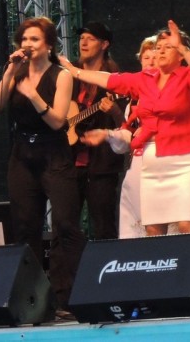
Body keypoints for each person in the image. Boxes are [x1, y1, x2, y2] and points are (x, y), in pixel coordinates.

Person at [60, 20, 190, 236]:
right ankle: (160, 261)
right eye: (158, 47)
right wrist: (74, 71)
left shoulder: (188, 77)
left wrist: (181, 47)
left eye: (168, 47)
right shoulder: (145, 79)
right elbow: (110, 80)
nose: (161, 51)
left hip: (187, 157)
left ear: (180, 55)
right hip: (153, 160)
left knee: (187, 226)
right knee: (153, 228)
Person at [0, 16, 86, 316]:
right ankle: (32, 300)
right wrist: (10, 72)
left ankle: (66, 298)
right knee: (25, 226)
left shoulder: (61, 75)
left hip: (54, 152)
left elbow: (58, 121)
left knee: (65, 224)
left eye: (34, 39)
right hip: (23, 154)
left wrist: (33, 95)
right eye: (24, 39)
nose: (28, 44)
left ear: (48, 45)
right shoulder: (17, 72)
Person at [81, 35, 157, 239]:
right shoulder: (134, 99)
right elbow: (127, 136)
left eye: (155, 57)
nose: (150, 62)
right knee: (135, 227)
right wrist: (106, 134)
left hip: (164, 166)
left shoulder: (176, 90)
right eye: (146, 58)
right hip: (137, 168)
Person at [66, 21, 126, 240]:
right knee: (64, 223)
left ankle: (107, 262)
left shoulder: (114, 77)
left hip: (102, 164)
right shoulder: (68, 74)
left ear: (104, 44)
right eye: (82, 38)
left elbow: (125, 124)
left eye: (90, 39)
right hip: (69, 160)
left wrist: (114, 110)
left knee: (103, 225)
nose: (83, 42)